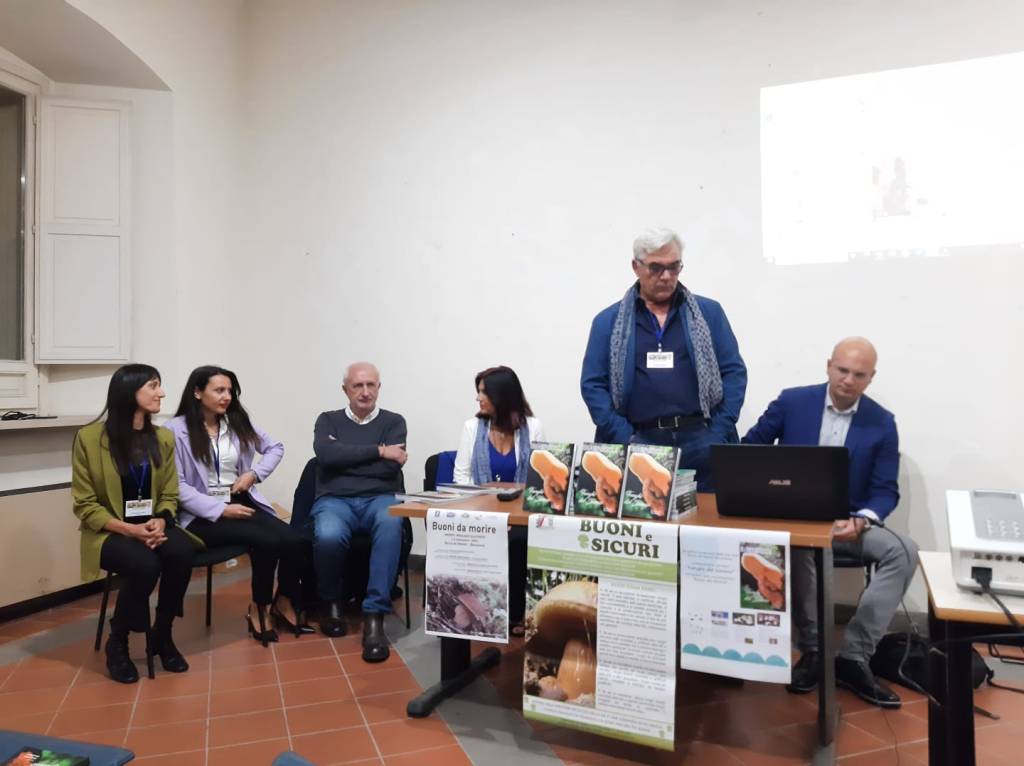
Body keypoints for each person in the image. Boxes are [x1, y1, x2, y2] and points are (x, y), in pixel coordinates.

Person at [743, 337, 918, 709]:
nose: (849, 380)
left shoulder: (882, 423)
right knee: (802, 545)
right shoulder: (793, 402)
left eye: (859, 375)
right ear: (828, 366)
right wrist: (768, 490)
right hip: (795, 520)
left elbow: (885, 490)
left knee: (905, 551)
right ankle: (813, 651)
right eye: (843, 370)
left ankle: (853, 657)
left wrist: (863, 519)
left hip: (847, 524)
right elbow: (749, 449)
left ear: (870, 378)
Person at [580, 227, 747, 490]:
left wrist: (718, 430)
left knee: (707, 516)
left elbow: (734, 373)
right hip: (638, 442)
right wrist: (624, 436)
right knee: (647, 516)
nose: (667, 276)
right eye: (656, 268)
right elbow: (593, 385)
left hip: (701, 441)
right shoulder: (608, 321)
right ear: (636, 267)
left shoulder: (709, 313)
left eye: (674, 266)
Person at [167, 366, 313, 646]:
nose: (227, 397)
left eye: (230, 391)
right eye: (219, 390)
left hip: (238, 500)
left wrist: (254, 474)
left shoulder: (235, 421)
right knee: (267, 541)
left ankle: (283, 600)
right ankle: (259, 608)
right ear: (197, 392)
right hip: (201, 513)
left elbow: (275, 447)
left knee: (295, 539)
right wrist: (220, 510)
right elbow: (177, 486)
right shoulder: (174, 430)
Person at [72, 364, 196, 684]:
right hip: (110, 532)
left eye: (159, 385)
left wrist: (160, 520)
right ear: (129, 392)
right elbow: (85, 505)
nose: (161, 393)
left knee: (182, 552)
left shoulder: (163, 438)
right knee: (144, 564)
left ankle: (162, 634)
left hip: (152, 526)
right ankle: (118, 641)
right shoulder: (89, 438)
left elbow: (170, 493)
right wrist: (130, 530)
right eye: (153, 386)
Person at [310, 362, 407, 662]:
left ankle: (374, 616)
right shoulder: (328, 420)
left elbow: (390, 469)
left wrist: (344, 458)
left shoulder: (394, 422)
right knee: (328, 534)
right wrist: (379, 450)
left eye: (370, 385)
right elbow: (326, 456)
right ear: (345, 390)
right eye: (357, 386)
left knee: (391, 524)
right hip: (335, 500)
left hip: (380, 498)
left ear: (379, 387)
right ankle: (332, 604)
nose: (365, 392)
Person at [453, 366, 545, 632]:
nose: (478, 398)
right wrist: (488, 517)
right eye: (478, 391)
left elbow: (538, 480)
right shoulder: (472, 427)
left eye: (484, 392)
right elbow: (461, 477)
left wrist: (512, 517)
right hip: (481, 513)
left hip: (521, 515)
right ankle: (483, 614)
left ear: (502, 396)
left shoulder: (533, 427)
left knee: (519, 540)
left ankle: (516, 614)